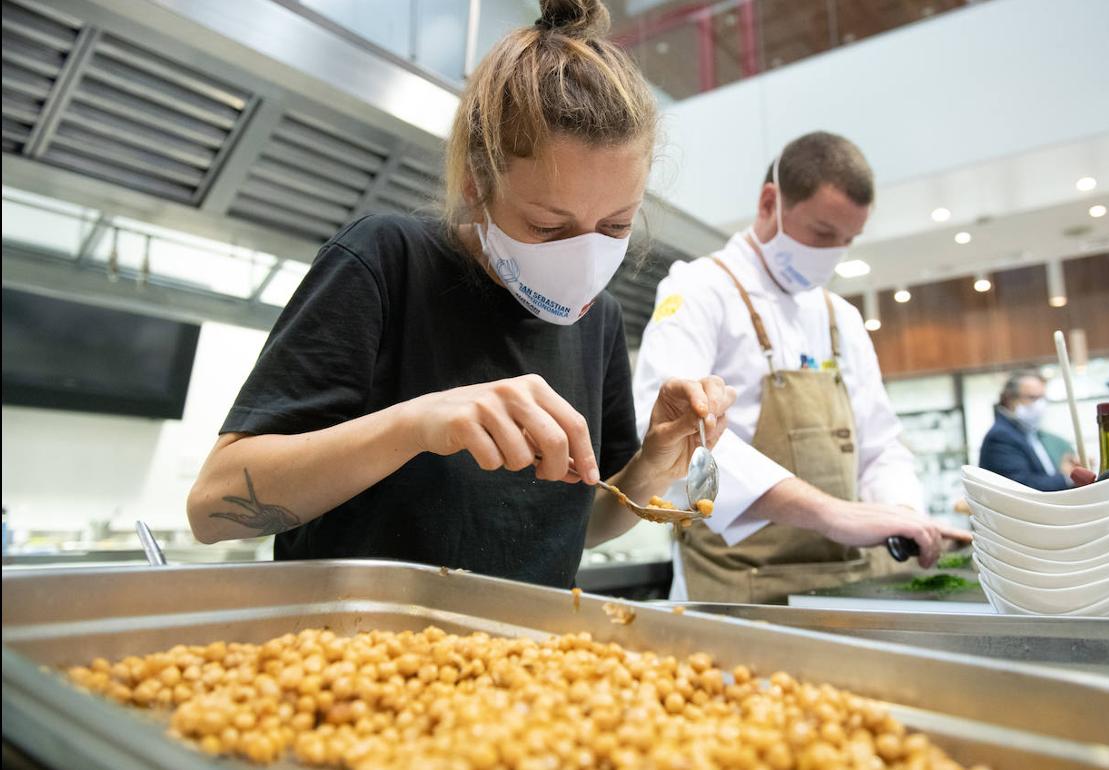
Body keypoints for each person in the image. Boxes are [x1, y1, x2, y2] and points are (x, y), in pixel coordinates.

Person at [186, 0, 735, 589]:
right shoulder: (386, 261)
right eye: (548, 228)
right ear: (476, 187)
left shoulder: (598, 320)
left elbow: (580, 524)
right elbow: (213, 509)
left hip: (526, 662)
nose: (583, 259)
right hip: (353, 655)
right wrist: (416, 425)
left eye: (615, 227)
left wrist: (652, 465)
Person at [632, 132, 967, 604]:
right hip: (740, 584)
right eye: (823, 233)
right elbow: (670, 434)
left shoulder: (841, 318)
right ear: (771, 202)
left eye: (847, 241)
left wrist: (903, 514)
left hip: (850, 583)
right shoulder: (699, 290)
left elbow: (881, 444)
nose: (833, 254)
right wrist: (834, 515)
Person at [978, 371, 1081, 491]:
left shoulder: (1028, 432)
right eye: (1032, 397)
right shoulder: (1000, 436)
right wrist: (1067, 477)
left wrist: (1069, 471)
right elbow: (1021, 487)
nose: (1040, 405)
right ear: (1009, 399)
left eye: (1042, 398)